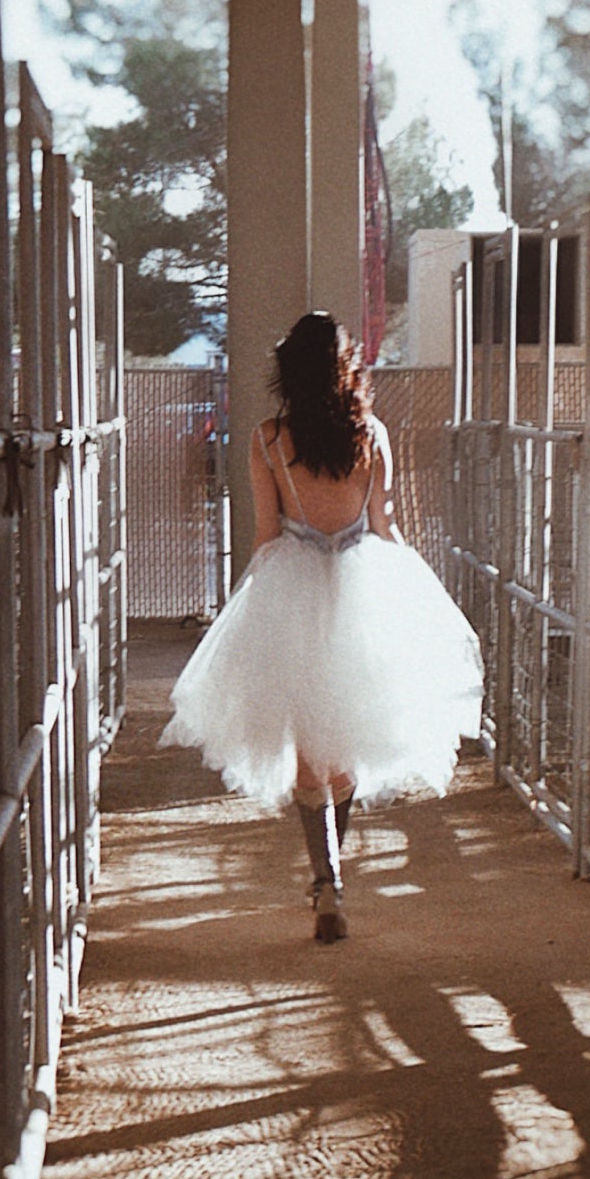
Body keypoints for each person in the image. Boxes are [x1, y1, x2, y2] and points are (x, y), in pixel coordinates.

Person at [165, 310, 485, 941]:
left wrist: (249, 611)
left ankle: (326, 881)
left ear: (289, 371)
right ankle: (334, 879)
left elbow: (263, 535)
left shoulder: (265, 440)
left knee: (309, 749)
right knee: (354, 734)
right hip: (364, 579)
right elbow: (385, 526)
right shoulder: (371, 434)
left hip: (292, 579)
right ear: (345, 368)